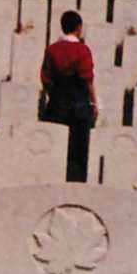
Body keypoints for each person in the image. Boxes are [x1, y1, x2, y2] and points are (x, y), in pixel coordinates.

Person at [39, 9, 97, 181]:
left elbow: (45, 77)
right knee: (78, 145)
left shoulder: (52, 49)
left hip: (57, 100)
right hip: (78, 101)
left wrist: (54, 96)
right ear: (79, 27)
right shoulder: (82, 50)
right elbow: (87, 78)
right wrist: (93, 102)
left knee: (57, 143)